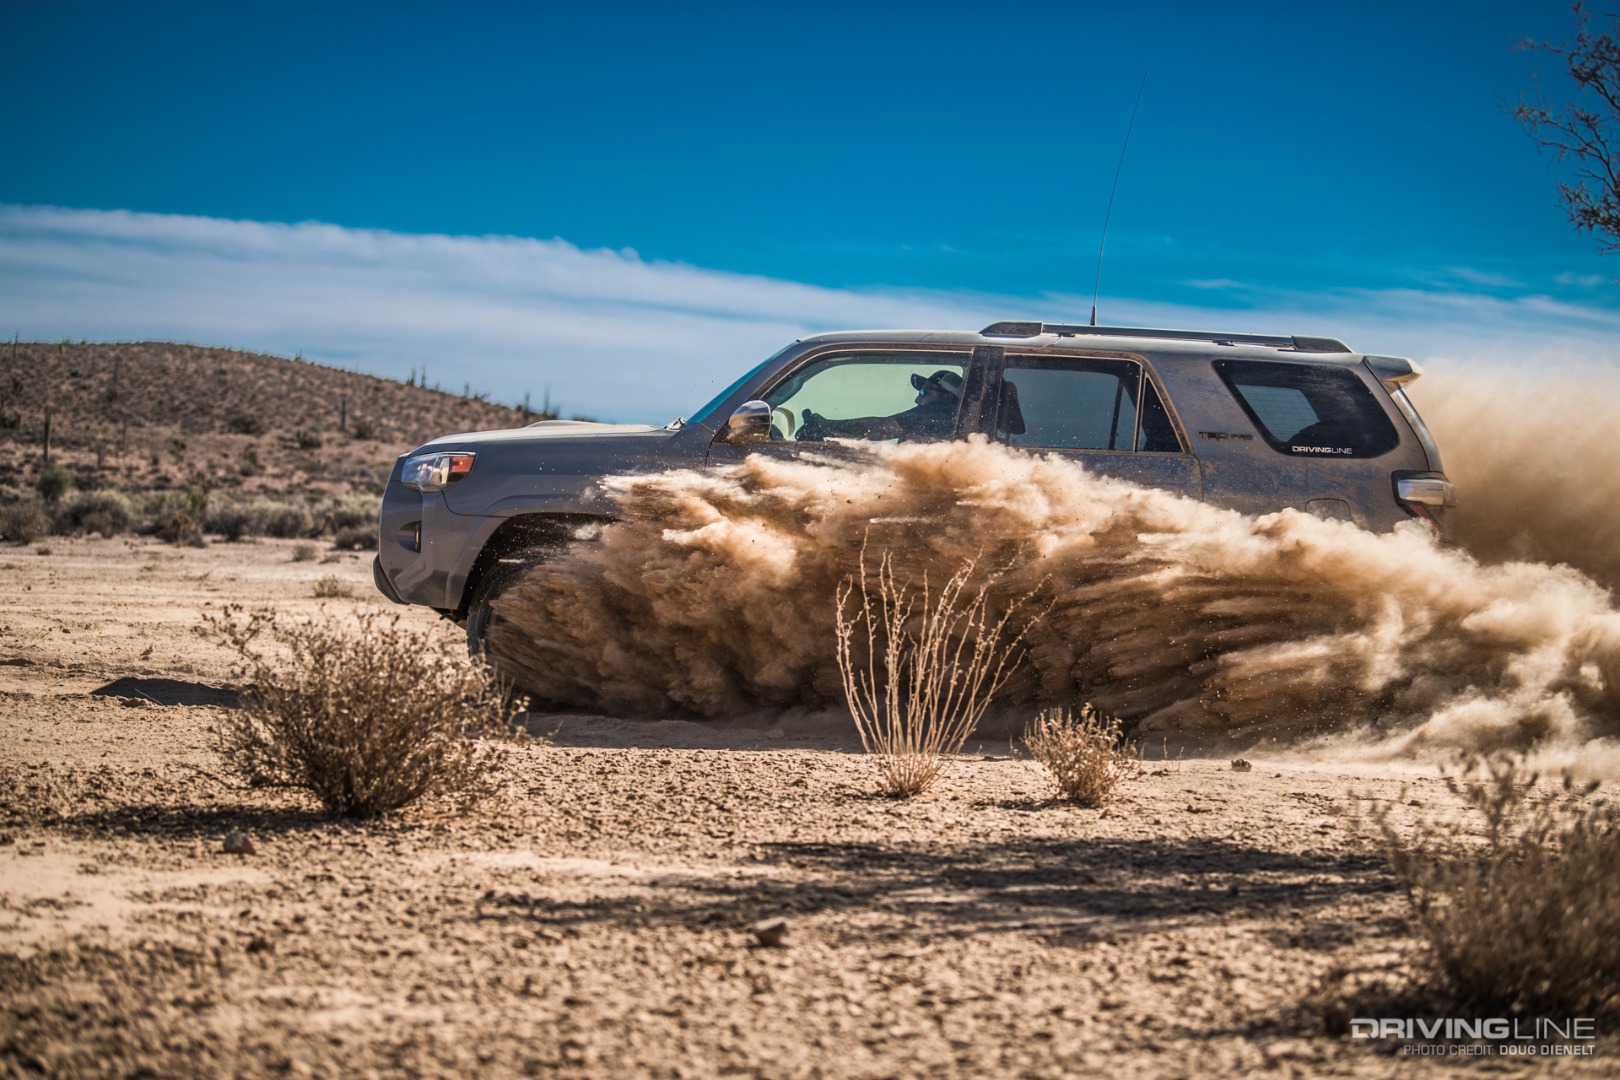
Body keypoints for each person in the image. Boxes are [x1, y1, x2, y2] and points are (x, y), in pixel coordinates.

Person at [798, 369, 963, 442]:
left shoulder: (940, 415)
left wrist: (825, 426)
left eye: (924, 393)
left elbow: (878, 428)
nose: (917, 400)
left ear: (947, 398)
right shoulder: (954, 420)